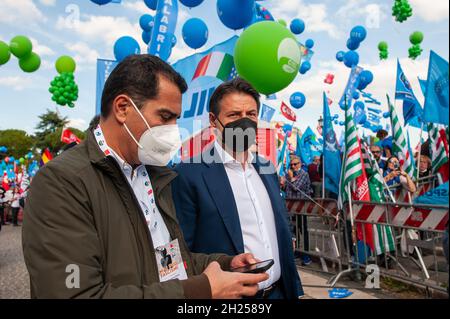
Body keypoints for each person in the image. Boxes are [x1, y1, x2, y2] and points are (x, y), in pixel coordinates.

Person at [22, 55, 268, 299]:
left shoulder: (155, 176)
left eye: (176, 119)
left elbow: (167, 260)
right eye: (164, 116)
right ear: (122, 109)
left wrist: (225, 264)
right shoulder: (62, 182)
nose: (173, 130)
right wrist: (201, 290)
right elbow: (74, 294)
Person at [172, 78, 304, 299]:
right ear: (213, 120)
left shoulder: (266, 168)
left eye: (251, 115)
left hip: (279, 293)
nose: (244, 122)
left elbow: (280, 230)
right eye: (234, 115)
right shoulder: (189, 174)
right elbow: (183, 249)